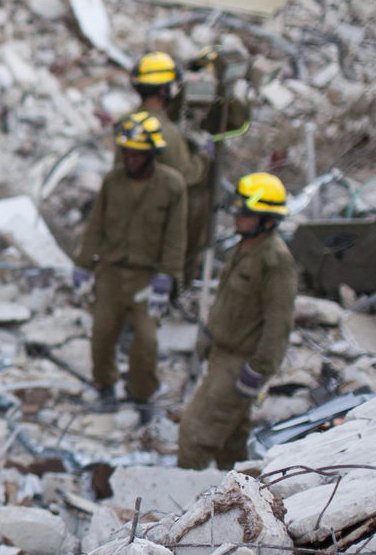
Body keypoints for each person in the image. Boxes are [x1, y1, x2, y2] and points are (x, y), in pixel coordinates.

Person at [178, 173, 295, 469]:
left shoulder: (275, 260)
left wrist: (259, 370)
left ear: (267, 219)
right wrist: (209, 333)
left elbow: (278, 323)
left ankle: (179, 507)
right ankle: (238, 497)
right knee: (231, 439)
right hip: (222, 352)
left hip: (240, 362)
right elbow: (228, 301)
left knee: (195, 433)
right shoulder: (244, 248)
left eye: (246, 212)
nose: (238, 217)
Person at [72, 111, 187, 413]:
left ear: (150, 154)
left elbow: (176, 237)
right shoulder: (113, 181)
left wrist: (167, 277)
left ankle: (141, 393)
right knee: (102, 335)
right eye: (127, 153)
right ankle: (105, 385)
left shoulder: (172, 185)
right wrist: (83, 266)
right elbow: (95, 226)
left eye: (137, 155)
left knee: (146, 341)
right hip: (110, 273)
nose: (131, 160)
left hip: (146, 277)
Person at [121, 52, 213, 284]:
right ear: (164, 91)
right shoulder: (167, 133)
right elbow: (186, 175)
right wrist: (203, 155)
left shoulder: (128, 121)